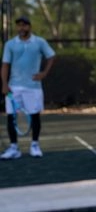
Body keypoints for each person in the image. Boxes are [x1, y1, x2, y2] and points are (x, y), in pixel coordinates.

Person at [1, 16, 55, 159]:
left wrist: (44, 73)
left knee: (35, 116)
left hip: (33, 87)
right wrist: (5, 84)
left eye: (24, 25)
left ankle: (35, 145)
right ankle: (14, 148)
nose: (21, 28)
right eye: (19, 25)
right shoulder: (10, 44)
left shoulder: (39, 42)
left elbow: (51, 56)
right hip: (14, 88)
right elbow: (5, 65)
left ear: (29, 27)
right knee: (11, 117)